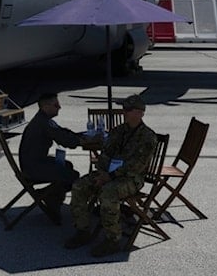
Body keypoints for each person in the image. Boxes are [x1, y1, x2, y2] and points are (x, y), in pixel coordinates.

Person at [63, 94, 157, 258]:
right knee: (79, 185)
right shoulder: (118, 131)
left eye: (128, 110)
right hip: (108, 174)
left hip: (132, 178)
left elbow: (136, 165)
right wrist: (101, 172)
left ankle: (113, 239)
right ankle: (82, 230)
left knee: (109, 192)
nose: (124, 113)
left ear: (140, 113)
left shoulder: (148, 137)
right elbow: (105, 154)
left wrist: (110, 176)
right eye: (124, 109)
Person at [18, 93, 82, 208]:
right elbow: (66, 141)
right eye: (56, 105)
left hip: (34, 163)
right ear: (46, 107)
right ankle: (48, 196)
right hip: (33, 167)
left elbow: (60, 132)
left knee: (67, 165)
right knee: (73, 176)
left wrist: (79, 136)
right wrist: (81, 141)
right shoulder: (43, 123)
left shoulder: (43, 119)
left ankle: (50, 196)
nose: (59, 107)